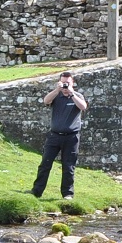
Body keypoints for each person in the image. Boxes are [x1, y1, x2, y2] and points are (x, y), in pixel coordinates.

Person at [31, 71, 87, 199]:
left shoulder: (77, 96)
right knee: (45, 163)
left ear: (72, 83)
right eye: (63, 83)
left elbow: (83, 107)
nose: (65, 86)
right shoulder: (56, 95)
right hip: (54, 136)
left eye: (68, 83)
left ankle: (67, 194)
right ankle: (36, 191)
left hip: (71, 137)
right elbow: (46, 100)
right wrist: (57, 90)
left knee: (68, 166)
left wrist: (71, 93)